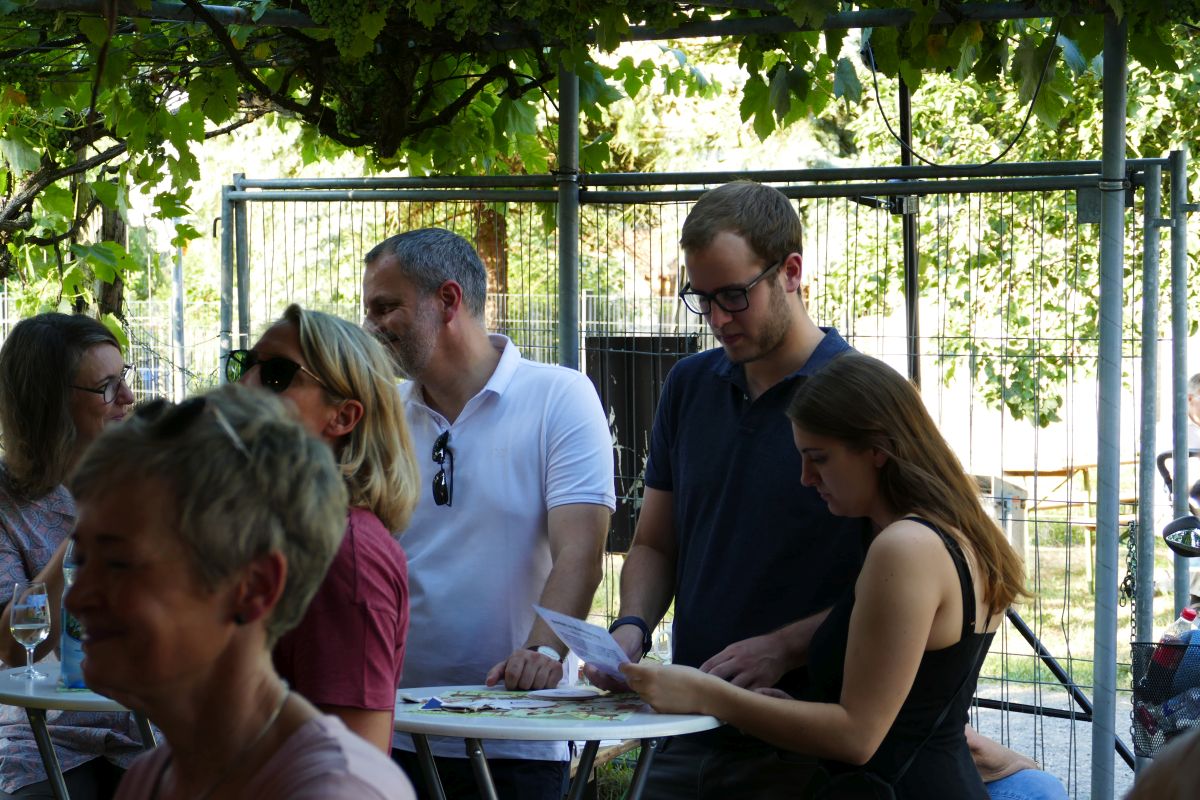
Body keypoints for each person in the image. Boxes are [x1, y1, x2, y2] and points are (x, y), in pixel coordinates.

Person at [623, 352, 1028, 798]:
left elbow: (857, 736)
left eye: (819, 458)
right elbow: (913, 710)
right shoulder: (957, 535)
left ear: (878, 450)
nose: (805, 477)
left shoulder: (904, 548)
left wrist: (706, 694)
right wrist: (772, 707)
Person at [588, 180, 868, 797]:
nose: (717, 318)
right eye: (702, 298)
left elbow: (908, 577)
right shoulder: (688, 385)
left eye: (734, 296)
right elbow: (655, 543)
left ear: (791, 272)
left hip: (807, 736)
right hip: (687, 726)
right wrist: (631, 628)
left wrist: (787, 647)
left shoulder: (861, 395)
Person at [362, 227, 616, 800]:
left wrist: (543, 652)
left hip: (515, 730)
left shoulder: (559, 396)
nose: (370, 325)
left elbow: (581, 552)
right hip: (394, 725)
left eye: (385, 307)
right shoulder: (382, 414)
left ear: (447, 300)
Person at [66, 386, 416, 800]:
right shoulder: (154, 777)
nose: (77, 599)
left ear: (254, 588)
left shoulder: (335, 790)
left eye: (119, 564)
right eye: (82, 560)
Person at [231, 304, 419, 753]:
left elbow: (351, 764)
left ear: (343, 417)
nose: (244, 385)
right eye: (245, 364)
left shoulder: (341, 555)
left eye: (277, 375)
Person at [0, 312, 143, 799]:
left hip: (151, 722)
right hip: (41, 732)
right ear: (51, 404)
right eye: (106, 387)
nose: (127, 397)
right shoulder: (6, 500)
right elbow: (14, 648)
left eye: (123, 377)